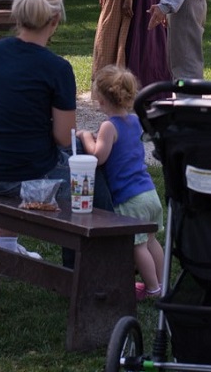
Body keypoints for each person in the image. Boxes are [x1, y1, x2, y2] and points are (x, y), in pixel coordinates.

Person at [0, 0, 110, 258]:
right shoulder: (56, 68)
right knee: (90, 175)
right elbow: (63, 137)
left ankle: (8, 246)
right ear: (55, 19)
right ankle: (91, 263)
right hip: (24, 177)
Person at [77, 65, 164, 300]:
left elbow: (98, 157)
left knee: (137, 245)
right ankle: (163, 283)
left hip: (129, 198)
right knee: (152, 240)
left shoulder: (108, 126)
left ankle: (153, 288)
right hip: (148, 192)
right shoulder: (135, 121)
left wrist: (86, 136)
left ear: (102, 100)